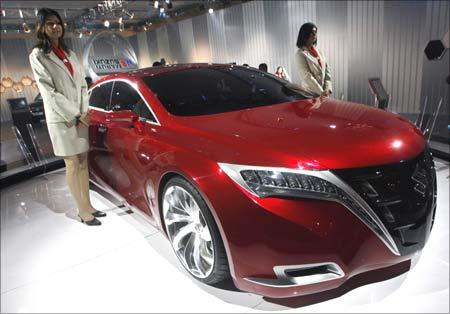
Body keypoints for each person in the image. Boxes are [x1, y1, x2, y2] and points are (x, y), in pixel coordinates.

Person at [29, 8, 105, 226]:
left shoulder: (70, 54)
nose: (55, 26)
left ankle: (88, 205)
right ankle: (82, 211)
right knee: (72, 163)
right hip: (62, 119)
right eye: (50, 23)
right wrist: (75, 113)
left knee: (83, 162)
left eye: (58, 23)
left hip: (80, 116)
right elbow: (48, 92)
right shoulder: (38, 56)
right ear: (41, 27)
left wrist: (85, 111)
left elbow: (83, 85)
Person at [295, 22, 332, 97]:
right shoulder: (300, 54)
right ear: (305, 34)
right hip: (309, 95)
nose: (315, 35)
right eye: (312, 32)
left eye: (315, 32)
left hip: (323, 94)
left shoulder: (319, 52)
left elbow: (327, 72)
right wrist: (321, 92)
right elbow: (307, 77)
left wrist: (328, 89)